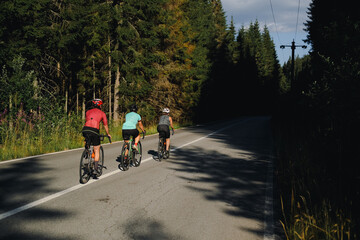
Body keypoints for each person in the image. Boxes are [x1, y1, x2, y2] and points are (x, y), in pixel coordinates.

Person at [82, 98, 111, 175]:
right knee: (97, 149)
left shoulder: (87, 112)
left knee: (87, 138)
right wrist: (108, 133)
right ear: (100, 105)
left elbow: (87, 120)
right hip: (94, 130)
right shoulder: (102, 113)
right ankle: (95, 168)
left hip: (85, 129)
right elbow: (105, 125)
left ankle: (87, 148)